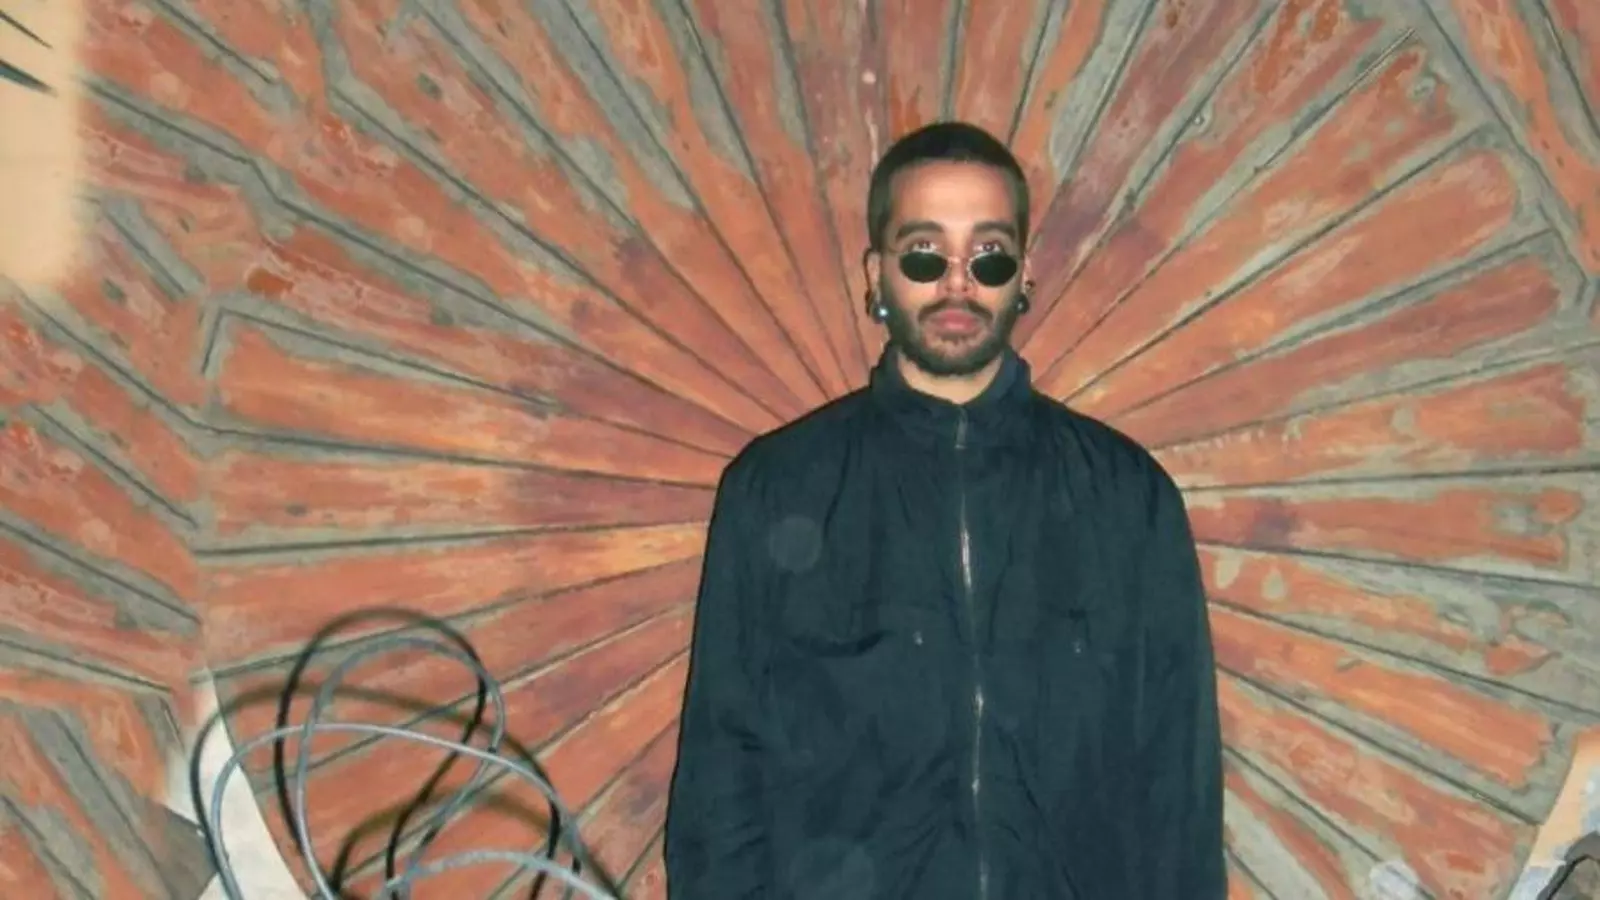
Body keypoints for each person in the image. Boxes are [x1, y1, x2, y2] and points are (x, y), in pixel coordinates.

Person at [663, 120, 1225, 899]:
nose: (957, 285)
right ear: (877, 274)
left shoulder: (1128, 497)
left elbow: (1178, 790)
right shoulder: (777, 488)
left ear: (1023, 275)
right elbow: (720, 787)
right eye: (925, 254)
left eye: (988, 257)